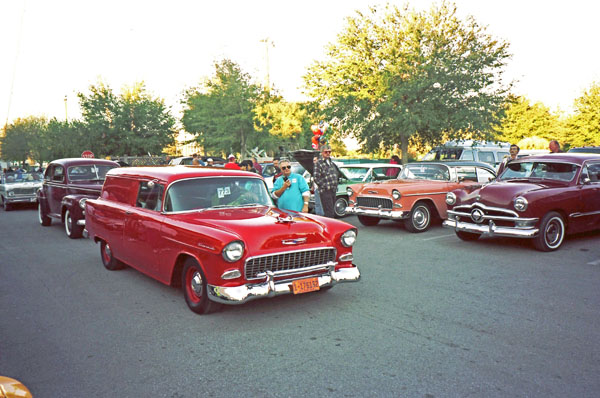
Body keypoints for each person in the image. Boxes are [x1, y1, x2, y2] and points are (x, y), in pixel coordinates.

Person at [313, 145, 338, 218]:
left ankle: (331, 225)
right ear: (322, 153)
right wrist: (325, 186)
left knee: (332, 209)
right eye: (326, 152)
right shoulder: (319, 163)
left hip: (333, 190)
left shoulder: (331, 163)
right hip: (325, 191)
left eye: (329, 152)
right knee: (329, 212)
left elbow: (336, 174)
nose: (328, 153)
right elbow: (316, 178)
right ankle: (330, 227)